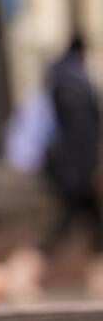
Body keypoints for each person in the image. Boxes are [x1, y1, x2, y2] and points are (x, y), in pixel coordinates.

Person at [38, 36, 103, 294]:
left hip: (66, 171)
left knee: (79, 225)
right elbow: (82, 134)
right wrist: (93, 169)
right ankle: (21, 271)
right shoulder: (75, 85)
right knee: (66, 226)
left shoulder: (60, 81)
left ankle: (97, 280)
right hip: (77, 173)